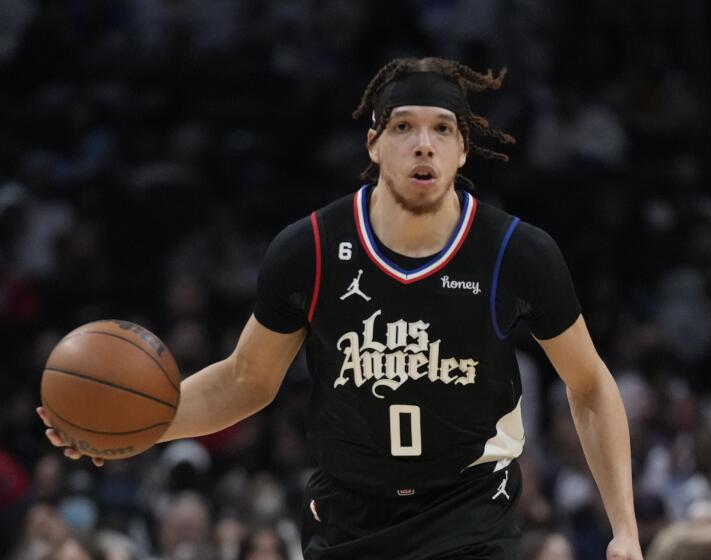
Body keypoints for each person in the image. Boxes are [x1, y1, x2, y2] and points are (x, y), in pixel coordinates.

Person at [38, 56, 642, 560]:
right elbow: (248, 379)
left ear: (463, 151)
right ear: (374, 143)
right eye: (403, 127)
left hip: (470, 508)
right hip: (346, 513)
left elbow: (589, 386)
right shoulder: (311, 248)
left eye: (442, 129)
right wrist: (142, 426)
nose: (423, 145)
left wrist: (626, 532)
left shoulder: (518, 253)